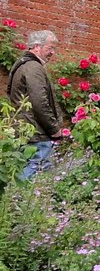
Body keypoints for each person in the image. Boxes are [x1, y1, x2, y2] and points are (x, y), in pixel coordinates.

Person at [7, 30, 62, 180]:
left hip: (25, 130)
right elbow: (39, 102)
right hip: (36, 133)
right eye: (50, 48)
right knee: (34, 173)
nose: (52, 52)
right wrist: (54, 128)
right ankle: (19, 195)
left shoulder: (22, 65)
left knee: (27, 171)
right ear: (37, 46)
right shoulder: (33, 67)